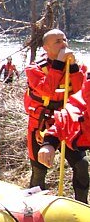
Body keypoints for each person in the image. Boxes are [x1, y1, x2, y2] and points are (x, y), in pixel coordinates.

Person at [24, 28, 88, 202]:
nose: (63, 44)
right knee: (39, 170)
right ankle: (35, 206)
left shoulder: (77, 66)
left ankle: (82, 205)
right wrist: (59, 63)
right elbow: (46, 90)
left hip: (67, 123)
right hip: (41, 124)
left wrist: (72, 66)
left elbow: (81, 90)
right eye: (57, 41)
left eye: (64, 39)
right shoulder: (34, 69)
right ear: (46, 47)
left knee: (81, 165)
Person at [38, 73, 90, 168]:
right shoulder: (86, 91)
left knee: (81, 166)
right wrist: (50, 142)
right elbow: (69, 117)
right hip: (42, 122)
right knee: (39, 169)